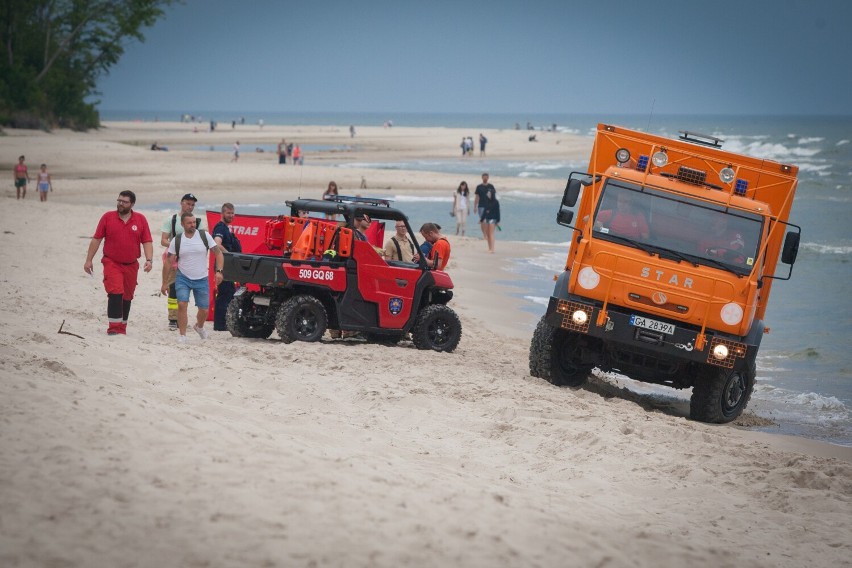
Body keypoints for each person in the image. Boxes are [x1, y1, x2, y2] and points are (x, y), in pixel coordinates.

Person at [83, 190, 154, 335]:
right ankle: (114, 328)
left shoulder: (140, 219)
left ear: (132, 204)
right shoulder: (107, 217)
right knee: (115, 292)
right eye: (119, 200)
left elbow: (147, 241)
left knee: (127, 297)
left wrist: (149, 260)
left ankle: (122, 327)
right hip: (111, 262)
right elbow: (97, 239)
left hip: (132, 265)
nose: (120, 204)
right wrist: (88, 260)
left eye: (124, 202)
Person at [161, 213, 224, 344]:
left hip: (201, 278)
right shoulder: (177, 240)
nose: (193, 225)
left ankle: (199, 327)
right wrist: (164, 282)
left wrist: (219, 271)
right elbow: (168, 262)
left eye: (194, 222)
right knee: (182, 304)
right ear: (182, 224)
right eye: (189, 223)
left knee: (204, 309)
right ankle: (183, 335)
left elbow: (218, 253)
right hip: (182, 277)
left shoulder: (204, 236)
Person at [161, 193, 206, 331]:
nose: (190, 206)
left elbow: (203, 239)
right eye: (188, 203)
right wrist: (178, 245)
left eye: (192, 204)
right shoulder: (172, 219)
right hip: (174, 259)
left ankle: (182, 319)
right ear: (181, 203)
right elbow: (163, 240)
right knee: (173, 288)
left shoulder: (198, 221)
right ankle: (172, 319)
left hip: (191, 260)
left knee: (188, 291)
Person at [212, 203, 242, 331]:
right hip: (223, 265)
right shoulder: (220, 228)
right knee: (225, 294)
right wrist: (229, 255)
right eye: (228, 213)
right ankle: (220, 325)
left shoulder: (226, 228)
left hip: (227, 266)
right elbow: (216, 244)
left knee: (229, 293)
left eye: (232, 213)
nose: (231, 215)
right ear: (222, 213)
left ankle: (222, 323)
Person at [474, 173, 496, 241]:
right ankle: (484, 235)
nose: (485, 178)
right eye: (484, 177)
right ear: (482, 178)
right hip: (481, 206)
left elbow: (493, 197)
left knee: (488, 221)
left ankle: (488, 234)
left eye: (486, 177)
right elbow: (477, 197)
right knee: (483, 221)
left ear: (488, 178)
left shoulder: (491, 186)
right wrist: (475, 206)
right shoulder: (479, 187)